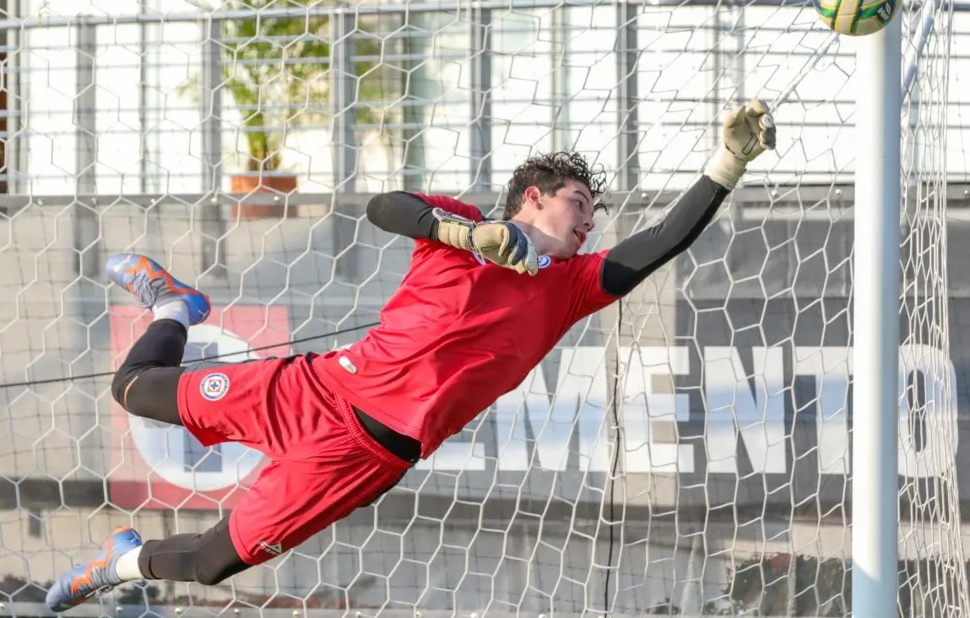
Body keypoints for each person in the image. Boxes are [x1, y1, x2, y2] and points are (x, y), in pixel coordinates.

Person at [45, 99, 776, 612]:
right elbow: (384, 206)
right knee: (134, 387)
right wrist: (465, 236)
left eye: (593, 214)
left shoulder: (572, 288)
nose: (589, 222)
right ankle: (175, 307)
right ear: (533, 197)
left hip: (363, 455)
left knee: (211, 561)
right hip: (316, 389)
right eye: (579, 202)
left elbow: (660, 244)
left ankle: (119, 561)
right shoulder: (458, 229)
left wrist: (726, 163)